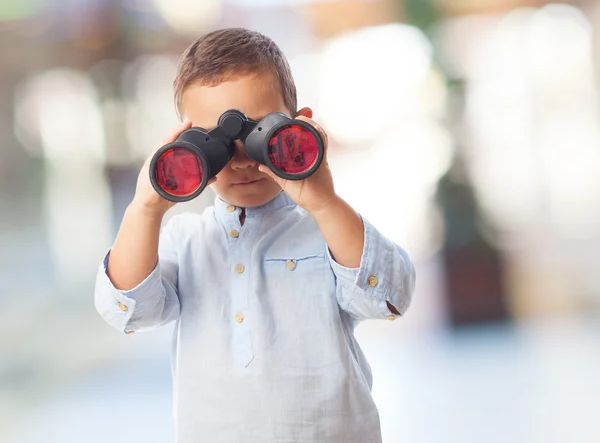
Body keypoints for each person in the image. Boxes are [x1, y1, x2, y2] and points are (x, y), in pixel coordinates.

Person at [94, 27, 415, 443]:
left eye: (260, 134)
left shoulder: (326, 229)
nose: (241, 161)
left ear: (300, 128)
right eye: (215, 144)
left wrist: (324, 202)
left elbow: (389, 296)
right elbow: (128, 308)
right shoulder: (185, 239)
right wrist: (146, 206)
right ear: (183, 141)